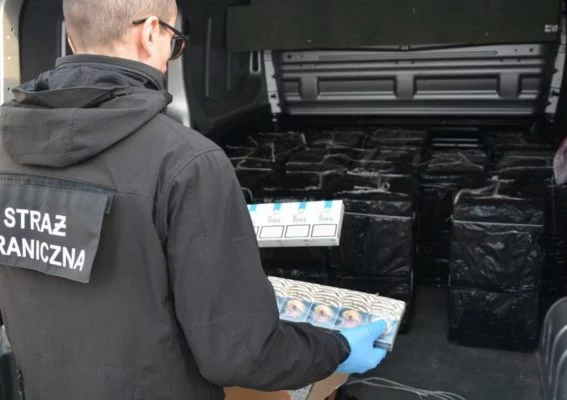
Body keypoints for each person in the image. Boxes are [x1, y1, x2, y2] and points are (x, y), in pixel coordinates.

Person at [0, 0, 388, 398]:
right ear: (151, 33)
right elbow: (240, 354)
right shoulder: (187, 162)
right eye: (174, 40)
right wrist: (337, 348)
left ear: (71, 38)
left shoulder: (5, 148)